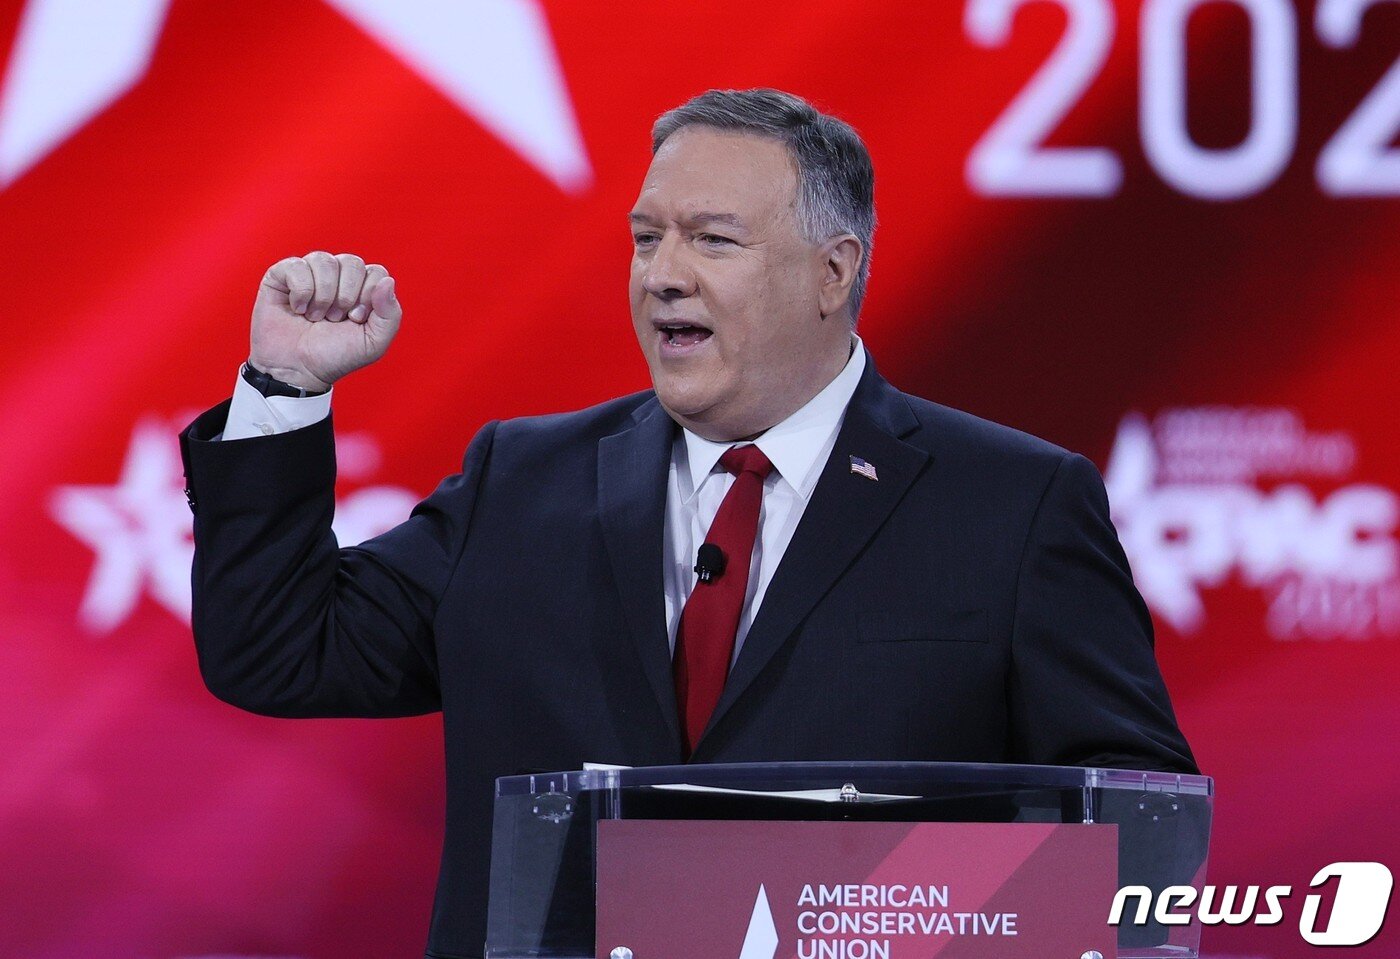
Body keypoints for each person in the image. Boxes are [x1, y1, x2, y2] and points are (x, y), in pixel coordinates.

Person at [180, 89, 1196, 958]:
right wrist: (286, 385)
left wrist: (877, 901)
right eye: (645, 237)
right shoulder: (522, 479)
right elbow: (278, 651)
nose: (661, 271)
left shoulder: (1008, 503)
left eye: (711, 239)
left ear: (833, 272)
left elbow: (1144, 832)